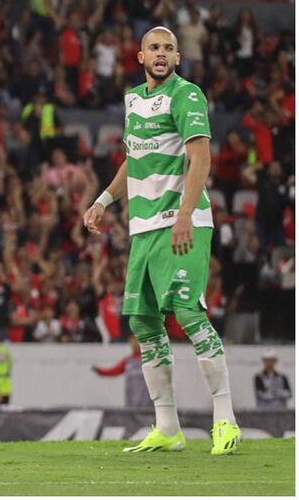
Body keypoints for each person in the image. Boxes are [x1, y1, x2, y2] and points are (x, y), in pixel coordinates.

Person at [83, 26, 240, 456]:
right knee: (143, 323)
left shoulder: (187, 95)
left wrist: (186, 214)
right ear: (139, 56)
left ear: (177, 57)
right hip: (144, 227)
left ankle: (224, 419)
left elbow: (200, 156)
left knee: (188, 312)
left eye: (169, 48)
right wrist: (103, 200)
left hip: (182, 220)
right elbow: (135, 160)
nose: (161, 53)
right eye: (154, 47)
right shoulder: (133, 99)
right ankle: (168, 427)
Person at [92, 335, 152, 408]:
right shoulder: (128, 361)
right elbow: (114, 371)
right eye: (134, 340)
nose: (136, 343)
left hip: (146, 399)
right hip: (131, 399)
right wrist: (100, 371)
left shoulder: (149, 359)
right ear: (130, 341)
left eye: (139, 340)